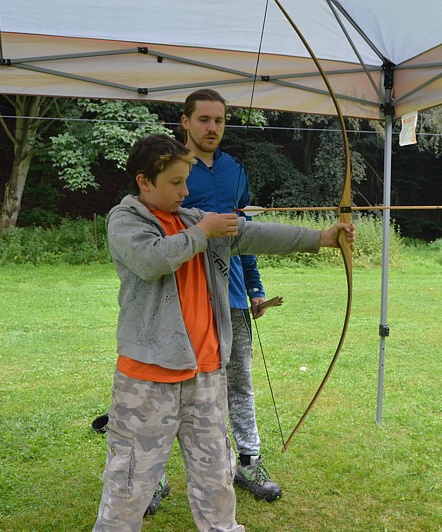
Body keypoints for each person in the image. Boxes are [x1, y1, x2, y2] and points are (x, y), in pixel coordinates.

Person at [93, 133, 354, 531]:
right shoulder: (126, 220)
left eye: (186, 181)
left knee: (216, 481)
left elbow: (254, 234)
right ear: (144, 181)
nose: (185, 190)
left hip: (206, 374)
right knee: (128, 485)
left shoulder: (196, 220)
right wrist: (203, 232)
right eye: (175, 182)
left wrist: (321, 238)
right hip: (148, 381)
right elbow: (151, 260)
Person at [179, 88, 280, 502]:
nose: (212, 128)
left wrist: (255, 287)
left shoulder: (235, 170)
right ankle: (155, 477)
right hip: (185, 296)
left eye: (219, 121)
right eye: (204, 119)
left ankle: (249, 463)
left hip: (234, 296)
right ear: (185, 121)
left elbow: (247, 233)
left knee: (239, 382)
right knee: (175, 386)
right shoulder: (170, 165)